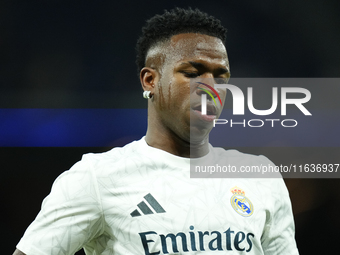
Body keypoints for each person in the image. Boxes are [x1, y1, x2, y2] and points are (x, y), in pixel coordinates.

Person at [13, 8, 299, 255]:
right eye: (192, 72)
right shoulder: (98, 178)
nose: (211, 88)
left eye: (220, 76)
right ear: (150, 80)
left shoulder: (260, 175)